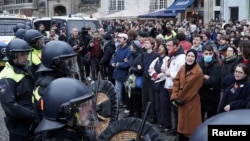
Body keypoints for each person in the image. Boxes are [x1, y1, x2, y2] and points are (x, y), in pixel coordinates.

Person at [0, 39, 37, 140]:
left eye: (27, 54)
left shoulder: (23, 69)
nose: (25, 57)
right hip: (20, 129)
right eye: (22, 55)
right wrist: (34, 115)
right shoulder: (6, 76)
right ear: (12, 56)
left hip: (31, 124)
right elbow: (10, 106)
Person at [33, 41, 79, 119]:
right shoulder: (45, 88)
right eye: (67, 63)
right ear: (55, 63)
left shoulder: (58, 78)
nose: (70, 66)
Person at [171, 49, 204, 141]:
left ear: (195, 58)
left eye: (192, 56)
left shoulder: (198, 72)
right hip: (181, 100)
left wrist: (180, 98)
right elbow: (176, 82)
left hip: (191, 101)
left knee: (191, 126)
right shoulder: (183, 68)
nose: (190, 58)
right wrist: (174, 96)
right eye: (188, 56)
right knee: (182, 124)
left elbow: (191, 88)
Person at [148, 43, 171, 132]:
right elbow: (150, 68)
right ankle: (161, 122)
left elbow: (165, 71)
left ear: (165, 49)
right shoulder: (157, 59)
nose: (160, 49)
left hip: (163, 83)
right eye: (159, 47)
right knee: (157, 104)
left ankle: (167, 124)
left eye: (162, 47)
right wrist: (154, 74)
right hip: (156, 83)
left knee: (164, 104)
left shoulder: (167, 59)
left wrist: (157, 76)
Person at [198, 45, 222, 121]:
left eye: (210, 53)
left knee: (211, 119)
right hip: (201, 95)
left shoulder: (217, 65)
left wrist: (202, 78)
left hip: (213, 97)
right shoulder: (199, 64)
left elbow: (213, 81)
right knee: (199, 117)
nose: (208, 55)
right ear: (202, 54)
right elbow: (195, 78)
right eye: (206, 53)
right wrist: (205, 77)